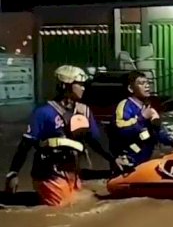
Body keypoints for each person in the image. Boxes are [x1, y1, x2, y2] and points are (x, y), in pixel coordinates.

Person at [4, 65, 125, 206]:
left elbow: (94, 141)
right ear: (65, 86)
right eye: (79, 85)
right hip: (48, 173)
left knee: (85, 201)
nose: (83, 88)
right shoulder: (44, 113)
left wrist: (113, 160)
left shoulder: (84, 111)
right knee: (64, 208)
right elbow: (26, 145)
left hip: (72, 172)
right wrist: (13, 173)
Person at [110, 71, 173, 168]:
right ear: (131, 88)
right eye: (141, 83)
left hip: (145, 156)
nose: (147, 86)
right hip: (129, 157)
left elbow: (158, 131)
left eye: (147, 83)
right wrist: (142, 118)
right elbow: (121, 132)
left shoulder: (147, 107)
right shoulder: (125, 106)